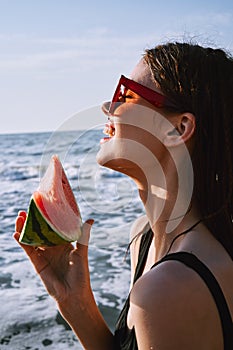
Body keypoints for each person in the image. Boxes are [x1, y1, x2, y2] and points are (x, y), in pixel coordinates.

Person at [14, 41, 233, 349]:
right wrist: (76, 305)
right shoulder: (143, 238)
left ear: (178, 128)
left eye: (125, 93)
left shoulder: (170, 288)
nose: (108, 107)